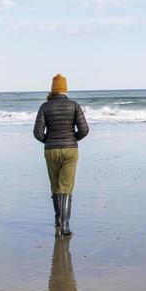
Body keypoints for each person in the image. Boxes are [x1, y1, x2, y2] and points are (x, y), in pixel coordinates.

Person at [33, 74, 89, 236]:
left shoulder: (44, 106)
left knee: (55, 185)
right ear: (65, 89)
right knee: (66, 186)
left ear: (53, 89)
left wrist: (49, 141)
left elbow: (37, 133)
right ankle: (65, 225)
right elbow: (84, 130)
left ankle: (58, 219)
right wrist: (72, 139)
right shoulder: (74, 105)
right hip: (70, 149)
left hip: (51, 149)